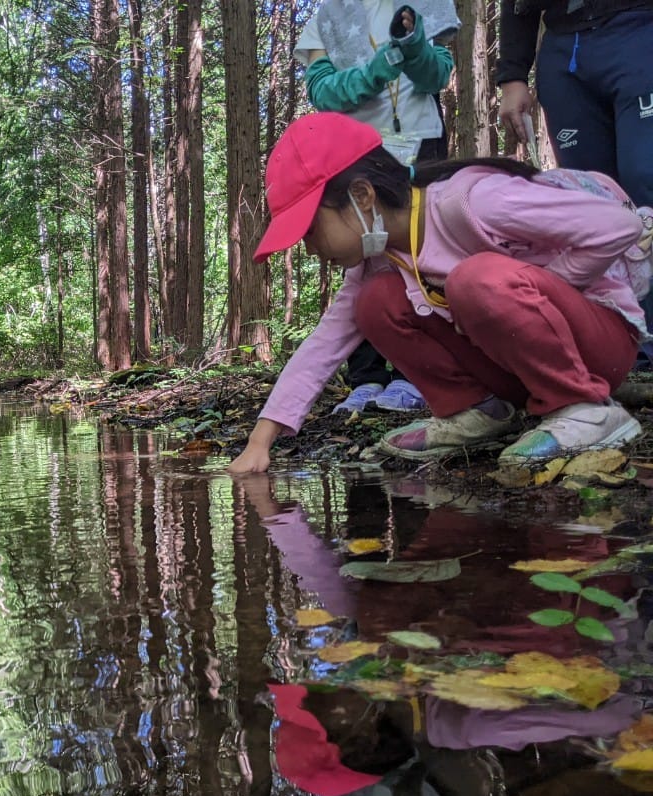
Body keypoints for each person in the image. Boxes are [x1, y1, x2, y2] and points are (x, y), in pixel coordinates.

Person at [229, 112, 649, 474]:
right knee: (374, 301)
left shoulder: (473, 202)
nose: (310, 249)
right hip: (517, 368)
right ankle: (478, 411)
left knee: (475, 279)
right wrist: (260, 442)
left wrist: (545, 287)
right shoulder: (382, 256)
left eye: (310, 230)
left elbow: (618, 227)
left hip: (597, 345)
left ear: (361, 195)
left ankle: (586, 409)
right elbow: (323, 346)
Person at [296, 0, 458, 414]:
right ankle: (366, 377)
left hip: (420, 143)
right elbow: (322, 91)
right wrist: (372, 74)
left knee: (422, 250)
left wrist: (415, 46)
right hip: (354, 151)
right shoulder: (327, 16)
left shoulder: (422, 5)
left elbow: (437, 74)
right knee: (360, 256)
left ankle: (416, 375)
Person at [496, 0, 653, 367]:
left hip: (639, 28)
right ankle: (619, 343)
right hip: (565, 47)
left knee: (644, 176)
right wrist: (512, 75)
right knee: (589, 200)